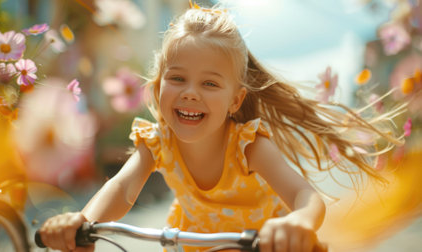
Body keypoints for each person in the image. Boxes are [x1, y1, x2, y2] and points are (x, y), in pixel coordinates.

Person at [38, 3, 403, 252]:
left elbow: (306, 197)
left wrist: (299, 224)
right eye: (177, 78)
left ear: (235, 100)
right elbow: (121, 188)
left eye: (210, 84)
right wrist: (82, 222)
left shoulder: (248, 145)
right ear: (157, 88)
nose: (191, 94)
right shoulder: (158, 142)